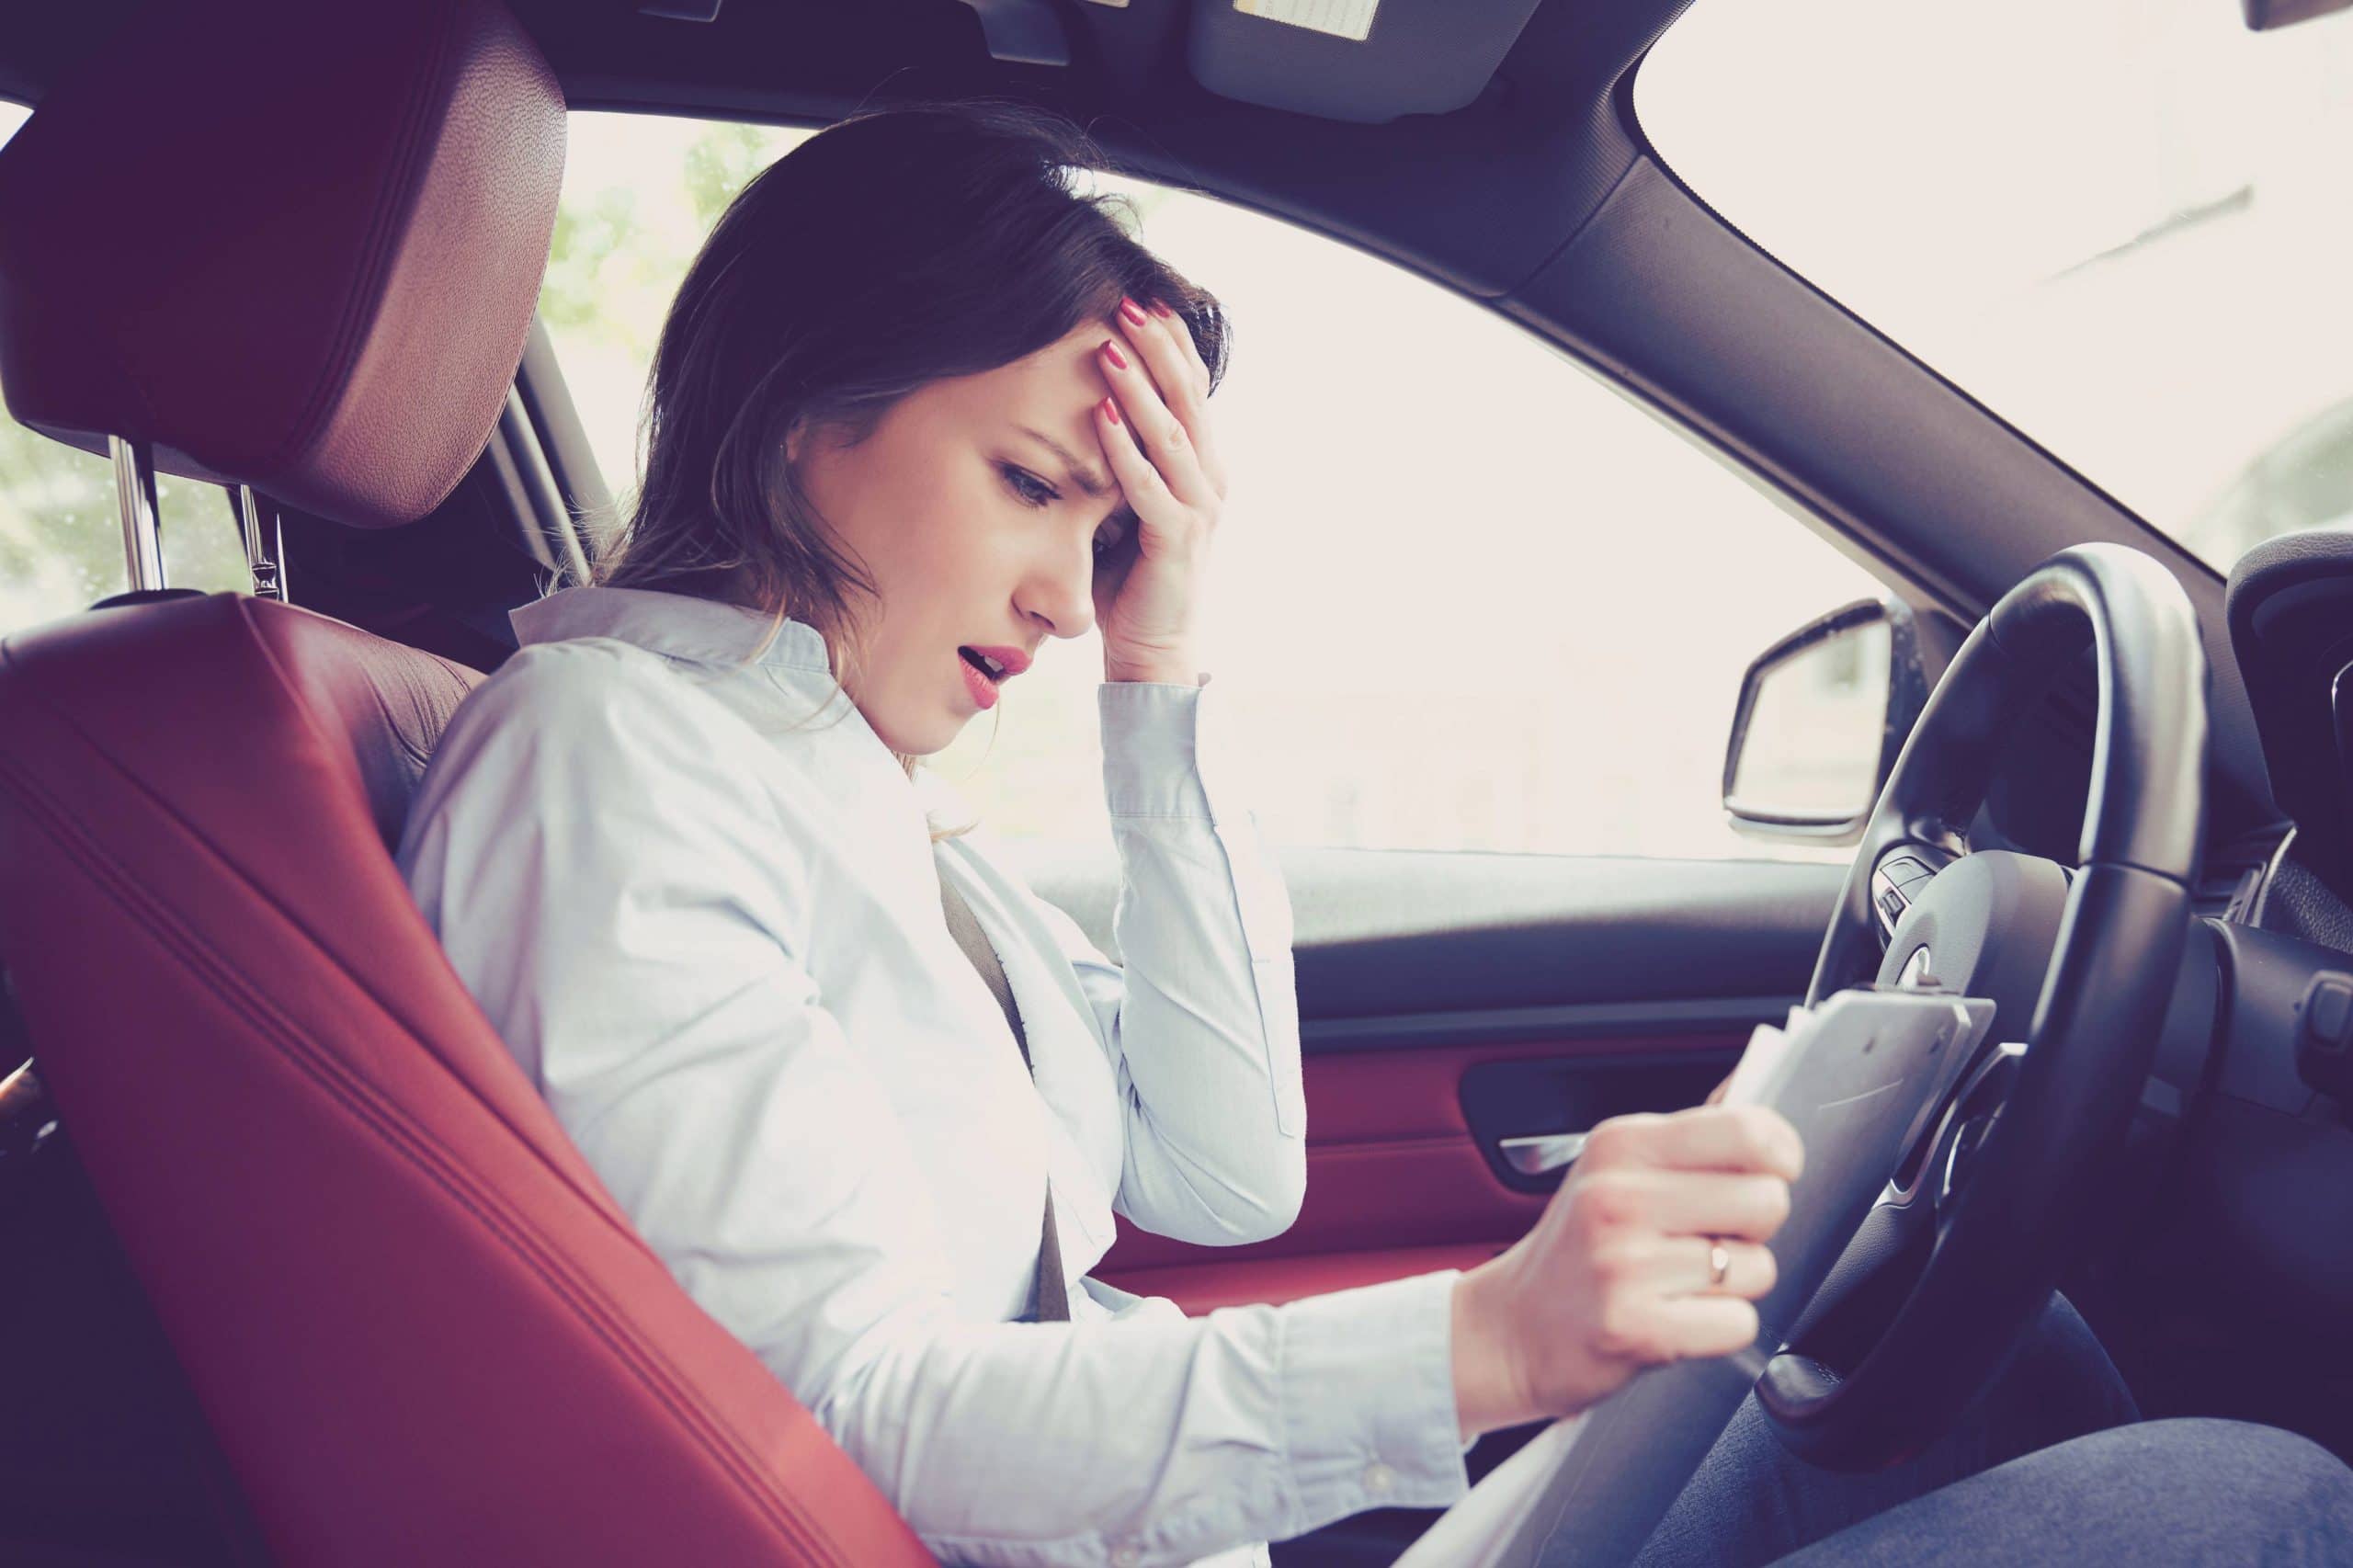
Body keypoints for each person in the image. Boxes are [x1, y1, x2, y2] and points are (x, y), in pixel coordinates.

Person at [393, 98, 2353, 1566]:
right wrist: (1484, 1341)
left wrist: (1159, 677)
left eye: (1111, 526)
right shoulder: (609, 765)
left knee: (2018, 1356)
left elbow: (1225, 1174)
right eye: (1027, 483)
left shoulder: (834, 786)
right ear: (802, 411)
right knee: (2248, 1500)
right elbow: (860, 1420)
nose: (1072, 591)